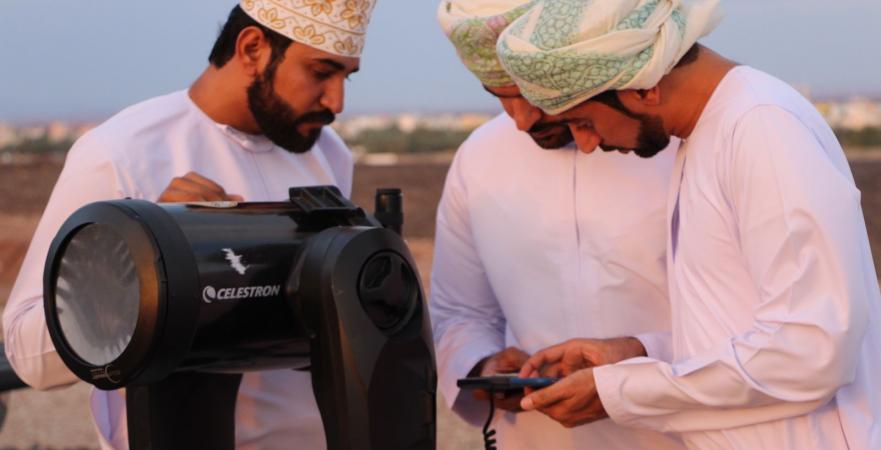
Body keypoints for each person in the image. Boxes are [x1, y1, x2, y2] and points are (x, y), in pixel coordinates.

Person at [495, 1, 881, 448]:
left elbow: (813, 351)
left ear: (644, 88)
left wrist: (622, 392)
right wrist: (636, 353)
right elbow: (744, 329)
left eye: (583, 122)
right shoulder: (707, 133)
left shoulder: (762, 128)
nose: (584, 144)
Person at [2, 1, 377, 448]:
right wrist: (143, 253)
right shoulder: (121, 153)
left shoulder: (328, 154)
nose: (336, 101)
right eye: (321, 72)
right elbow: (29, 355)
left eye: (346, 77)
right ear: (252, 48)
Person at [431, 1, 684, 448]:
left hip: (681, 431)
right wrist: (484, 365)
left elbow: (747, 325)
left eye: (529, 91)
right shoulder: (479, 157)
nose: (522, 119)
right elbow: (459, 312)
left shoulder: (669, 141)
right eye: (499, 95)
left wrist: (634, 363)